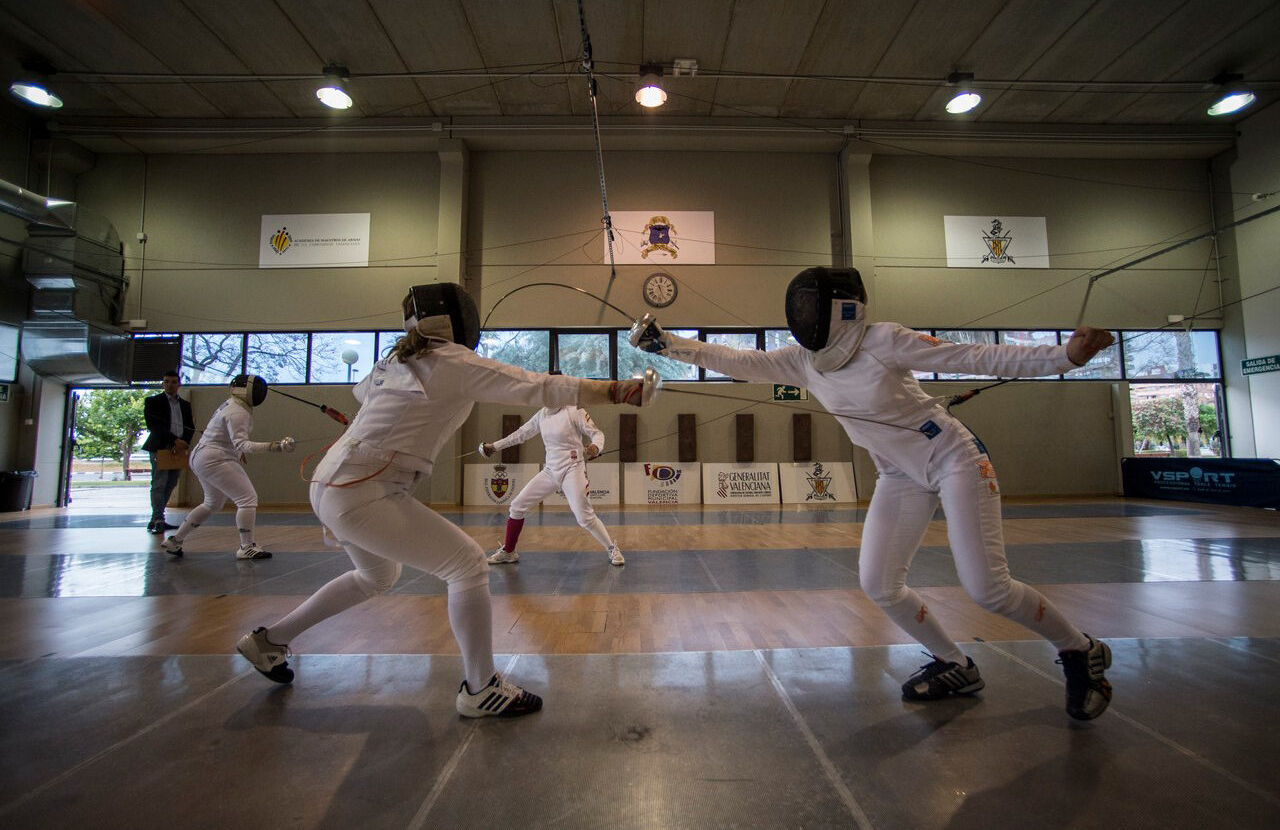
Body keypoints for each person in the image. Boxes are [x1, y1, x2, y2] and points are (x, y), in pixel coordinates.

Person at [631, 266, 1116, 721]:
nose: (803, 318)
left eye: (810, 307)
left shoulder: (885, 340)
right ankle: (956, 663)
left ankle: (1079, 649)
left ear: (841, 308)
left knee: (987, 588)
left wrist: (1064, 356)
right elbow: (738, 360)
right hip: (899, 475)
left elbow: (971, 355)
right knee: (880, 584)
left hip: (954, 460)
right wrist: (666, 344)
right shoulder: (804, 361)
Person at [235, 283, 658, 719]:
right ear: (455, 318)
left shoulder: (395, 358)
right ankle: (481, 687)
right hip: (363, 490)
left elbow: (363, 393)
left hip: (331, 483)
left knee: (376, 576)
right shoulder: (450, 360)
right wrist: (617, 390)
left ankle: (270, 642)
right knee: (467, 565)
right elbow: (538, 387)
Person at [160, 374, 293, 560]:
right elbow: (242, 444)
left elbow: (229, 439)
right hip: (216, 458)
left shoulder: (232, 405)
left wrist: (238, 452)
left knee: (212, 503)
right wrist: (275, 446)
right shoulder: (238, 412)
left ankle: (176, 540)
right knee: (247, 499)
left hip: (202, 456)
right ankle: (246, 547)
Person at [481, 395, 624, 566]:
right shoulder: (542, 415)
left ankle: (611, 548)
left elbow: (597, 433)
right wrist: (494, 446)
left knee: (584, 517)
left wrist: (596, 446)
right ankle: (509, 552)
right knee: (517, 507)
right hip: (550, 471)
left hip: (573, 469)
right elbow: (520, 434)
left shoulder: (574, 410)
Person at [140, 370, 195, 533]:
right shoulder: (153, 401)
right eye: (166, 382)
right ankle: (158, 518)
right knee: (159, 482)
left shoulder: (184, 405)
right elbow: (154, 426)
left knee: (171, 482)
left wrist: (185, 442)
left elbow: (189, 425)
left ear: (179, 384)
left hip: (178, 449)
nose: (169, 385)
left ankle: (157, 517)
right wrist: (174, 440)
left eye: (173, 382)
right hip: (161, 447)